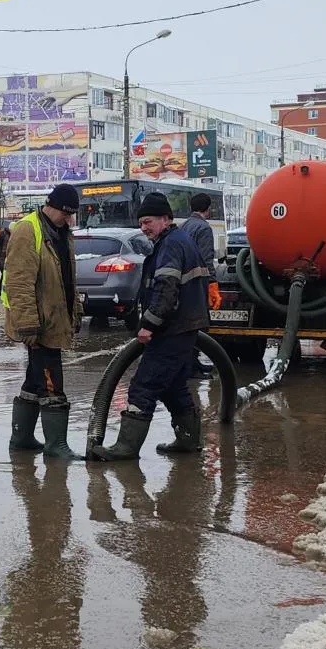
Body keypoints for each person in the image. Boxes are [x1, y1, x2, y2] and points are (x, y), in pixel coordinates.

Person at [91, 192, 209, 461]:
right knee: (174, 386)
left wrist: (149, 325)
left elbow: (166, 290)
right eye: (141, 222)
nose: (144, 228)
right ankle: (188, 441)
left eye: (149, 221)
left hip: (172, 328)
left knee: (143, 386)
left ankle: (126, 448)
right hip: (183, 326)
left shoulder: (171, 245)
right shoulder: (178, 241)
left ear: (166, 219)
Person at [2, 183, 84, 460]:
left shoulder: (61, 232)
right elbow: (19, 283)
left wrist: (76, 312)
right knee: (52, 383)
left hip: (53, 319)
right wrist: (27, 324)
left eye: (72, 215)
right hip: (38, 324)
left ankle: (22, 438)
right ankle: (55, 445)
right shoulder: (28, 229)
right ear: (53, 207)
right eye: (66, 213)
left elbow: (66, 278)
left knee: (35, 379)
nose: (69, 219)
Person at [178, 193, 216, 379]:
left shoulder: (184, 225)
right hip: (198, 281)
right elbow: (206, 259)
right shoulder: (204, 228)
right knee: (197, 325)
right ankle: (191, 368)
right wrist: (212, 283)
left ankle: (193, 363)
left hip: (183, 281)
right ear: (207, 209)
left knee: (188, 324)